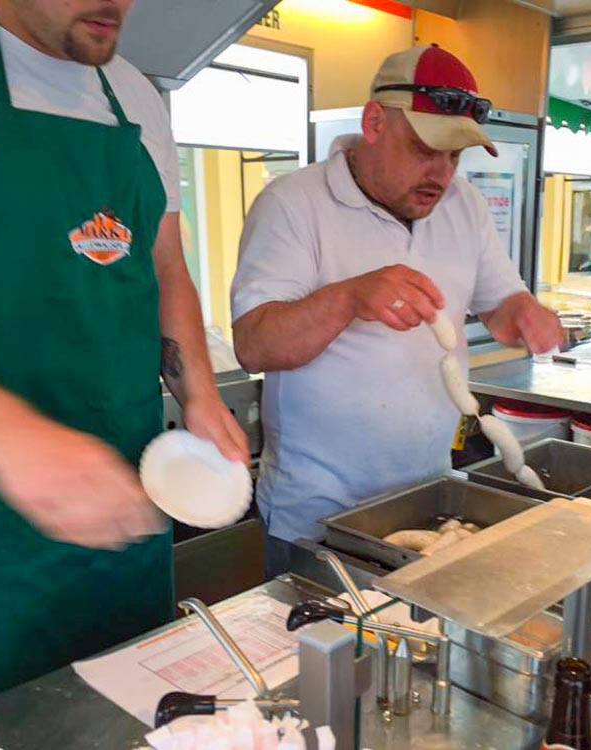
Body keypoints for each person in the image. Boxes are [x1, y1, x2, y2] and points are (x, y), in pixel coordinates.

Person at [0, 0, 247, 734]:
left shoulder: (134, 95)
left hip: (122, 522)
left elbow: (165, 263)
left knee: (132, 726)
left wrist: (198, 392)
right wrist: (12, 435)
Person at [231, 45, 563, 573]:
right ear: (374, 123)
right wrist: (348, 297)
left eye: (455, 156)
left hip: (430, 504)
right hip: (318, 518)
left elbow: (502, 305)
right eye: (425, 149)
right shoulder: (294, 204)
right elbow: (254, 342)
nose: (442, 173)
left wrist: (525, 313)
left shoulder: (464, 206)